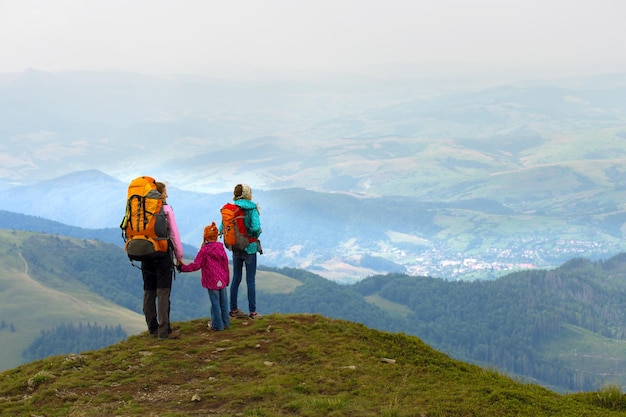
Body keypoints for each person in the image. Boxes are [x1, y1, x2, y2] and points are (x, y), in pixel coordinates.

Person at [142, 181, 184, 339]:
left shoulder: (143, 209)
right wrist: (179, 257)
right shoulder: (166, 210)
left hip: (146, 253)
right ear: (160, 194)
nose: (167, 194)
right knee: (163, 292)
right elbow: (174, 234)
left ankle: (152, 328)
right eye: (165, 191)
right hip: (162, 254)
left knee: (149, 291)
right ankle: (164, 330)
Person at [177, 222, 230, 331]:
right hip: (222, 279)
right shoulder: (220, 247)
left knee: (215, 303)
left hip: (211, 280)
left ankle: (217, 326)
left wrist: (182, 268)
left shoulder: (204, 250)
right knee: (223, 303)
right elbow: (225, 264)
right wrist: (227, 278)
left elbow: (196, 265)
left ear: (205, 236)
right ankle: (226, 324)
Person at [224, 184, 262, 319]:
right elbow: (256, 227)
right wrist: (252, 234)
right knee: (250, 280)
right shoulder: (251, 208)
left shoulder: (231, 208)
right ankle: (253, 312)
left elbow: (223, 227)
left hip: (235, 248)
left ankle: (233, 310)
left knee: (236, 278)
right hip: (250, 247)